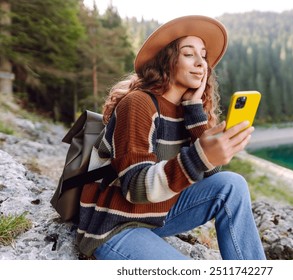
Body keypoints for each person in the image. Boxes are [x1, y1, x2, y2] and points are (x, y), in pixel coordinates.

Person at [76, 15, 266, 260]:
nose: (201, 63)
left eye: (204, 55)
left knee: (232, 184)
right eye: (189, 54)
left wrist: (195, 112)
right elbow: (135, 188)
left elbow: (210, 176)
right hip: (115, 225)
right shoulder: (138, 104)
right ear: (166, 60)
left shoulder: (186, 110)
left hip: (155, 216)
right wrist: (200, 157)